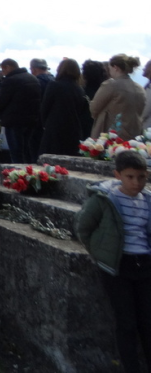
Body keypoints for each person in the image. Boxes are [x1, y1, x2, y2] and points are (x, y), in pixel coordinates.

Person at [76, 150, 151, 373]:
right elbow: (83, 227)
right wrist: (100, 252)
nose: (136, 182)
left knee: (147, 320)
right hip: (118, 267)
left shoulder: (148, 201)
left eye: (142, 177)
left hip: (145, 264)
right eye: (130, 177)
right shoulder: (104, 200)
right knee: (126, 321)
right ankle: (131, 367)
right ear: (117, 175)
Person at [39, 59, 92, 156]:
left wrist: (45, 124)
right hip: (73, 130)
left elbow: (45, 107)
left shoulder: (54, 85)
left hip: (55, 128)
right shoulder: (79, 89)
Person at [0, 58, 41, 163]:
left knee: (16, 153)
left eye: (3, 70)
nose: (3, 73)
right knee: (27, 151)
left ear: (8, 67)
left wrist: (0, 114)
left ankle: (17, 175)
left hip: (14, 121)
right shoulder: (33, 79)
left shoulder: (11, 80)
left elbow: (1, 101)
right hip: (31, 120)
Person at [90, 54, 146, 140]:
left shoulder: (111, 85)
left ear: (115, 67)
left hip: (111, 137)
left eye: (109, 68)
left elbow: (94, 108)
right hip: (134, 137)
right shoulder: (140, 89)